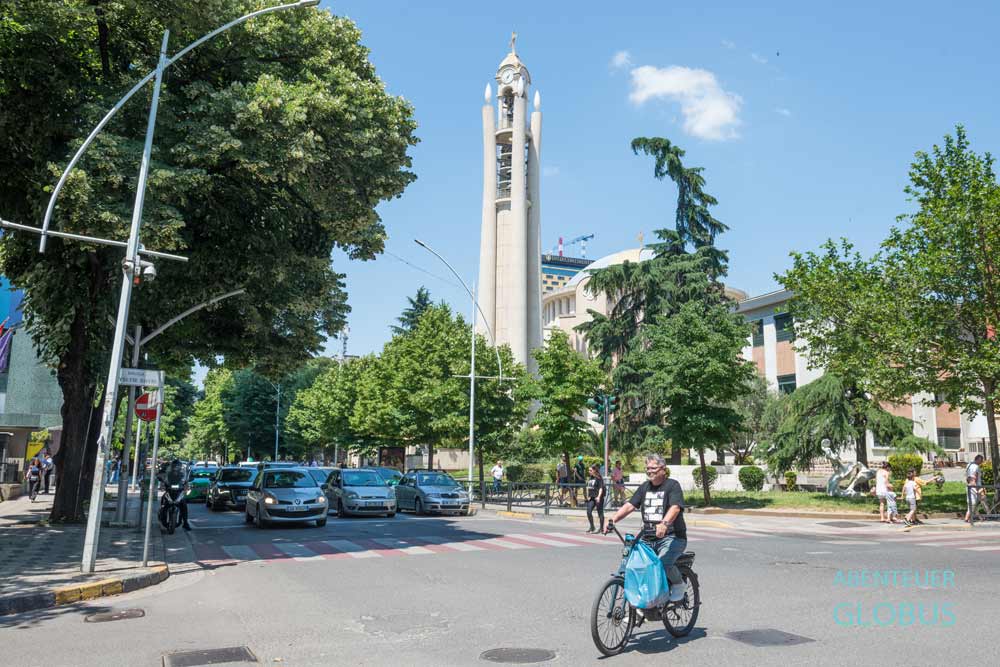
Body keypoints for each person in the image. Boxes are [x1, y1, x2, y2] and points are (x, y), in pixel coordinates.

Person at [605, 453, 689, 607]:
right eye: (647, 468)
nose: (649, 471)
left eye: (653, 468)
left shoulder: (672, 485)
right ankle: (641, 603)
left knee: (661, 563)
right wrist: (613, 519)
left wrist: (664, 523)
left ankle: (678, 584)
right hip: (648, 538)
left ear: (663, 469)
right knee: (636, 567)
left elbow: (675, 507)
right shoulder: (644, 487)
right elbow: (630, 505)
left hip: (672, 537)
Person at [158, 458, 192, 531]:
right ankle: (161, 517)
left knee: (184, 505)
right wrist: (162, 485)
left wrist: (187, 487)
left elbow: (185, 482)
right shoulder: (168, 474)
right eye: (175, 466)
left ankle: (185, 523)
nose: (176, 467)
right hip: (169, 491)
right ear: (172, 466)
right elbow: (163, 480)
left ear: (180, 467)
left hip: (179, 492)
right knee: (163, 502)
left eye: (178, 466)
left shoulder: (182, 474)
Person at [964, 454, 985, 524]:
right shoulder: (975, 467)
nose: (982, 462)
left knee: (973, 503)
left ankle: (979, 517)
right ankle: (967, 518)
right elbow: (974, 479)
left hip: (969, 486)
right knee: (973, 503)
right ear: (978, 459)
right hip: (974, 487)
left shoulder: (969, 465)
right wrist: (977, 490)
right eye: (981, 460)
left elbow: (968, 477)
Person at [585, 464, 606, 534]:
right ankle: (592, 526)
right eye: (589, 470)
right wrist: (588, 496)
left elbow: (601, 488)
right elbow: (589, 487)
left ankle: (601, 528)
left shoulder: (598, 477)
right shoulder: (591, 477)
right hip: (592, 497)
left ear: (594, 470)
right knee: (588, 511)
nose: (589, 471)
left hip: (598, 497)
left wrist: (599, 497)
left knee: (600, 513)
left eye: (590, 470)